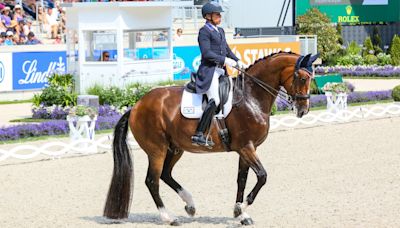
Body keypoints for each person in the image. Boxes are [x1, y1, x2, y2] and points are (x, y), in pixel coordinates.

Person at [191, 2, 245, 147]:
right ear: (208, 16)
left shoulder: (220, 30)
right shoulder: (204, 32)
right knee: (214, 99)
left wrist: (237, 60)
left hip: (221, 71)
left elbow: (226, 49)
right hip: (209, 71)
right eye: (217, 14)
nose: (220, 16)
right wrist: (225, 60)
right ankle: (199, 134)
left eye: (220, 14)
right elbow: (207, 53)